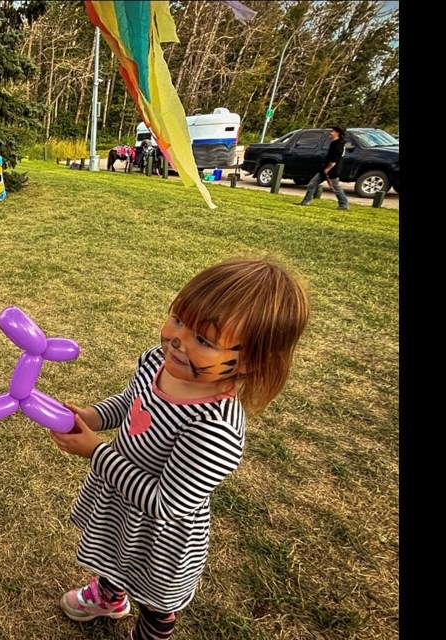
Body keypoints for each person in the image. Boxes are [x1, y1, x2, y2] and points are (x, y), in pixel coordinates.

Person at [48, 257, 309, 639]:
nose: (177, 340)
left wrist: (96, 452)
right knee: (109, 554)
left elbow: (168, 503)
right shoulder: (156, 362)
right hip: (118, 503)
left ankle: (150, 630)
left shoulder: (214, 427)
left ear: (251, 362)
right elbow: (130, 404)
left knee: (156, 598)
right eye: (178, 319)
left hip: (161, 533)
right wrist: (92, 416)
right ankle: (109, 596)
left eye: (203, 340)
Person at [296, 125, 350, 210]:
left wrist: (327, 169)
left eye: (332, 131)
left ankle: (343, 204)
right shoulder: (334, 143)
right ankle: (306, 201)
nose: (330, 133)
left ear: (337, 133)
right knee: (312, 184)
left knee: (336, 188)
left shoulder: (338, 144)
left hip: (332, 170)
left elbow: (335, 159)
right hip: (325, 169)